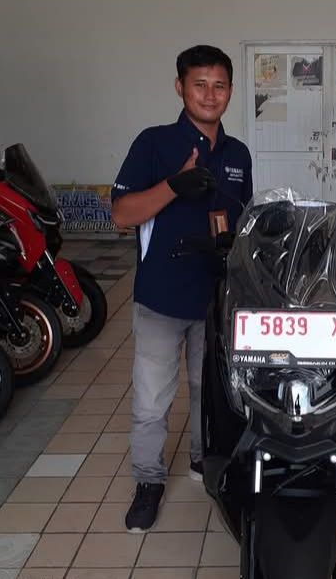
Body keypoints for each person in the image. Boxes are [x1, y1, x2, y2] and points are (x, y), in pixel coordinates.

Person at [111, 45, 252, 532]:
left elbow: (242, 223)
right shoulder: (154, 144)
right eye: (199, 85)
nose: (210, 95)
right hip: (162, 296)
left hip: (215, 298)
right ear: (180, 87)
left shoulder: (237, 154)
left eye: (219, 86)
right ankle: (148, 482)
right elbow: (121, 214)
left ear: (230, 91)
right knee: (152, 400)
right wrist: (175, 184)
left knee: (207, 389)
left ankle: (201, 458)